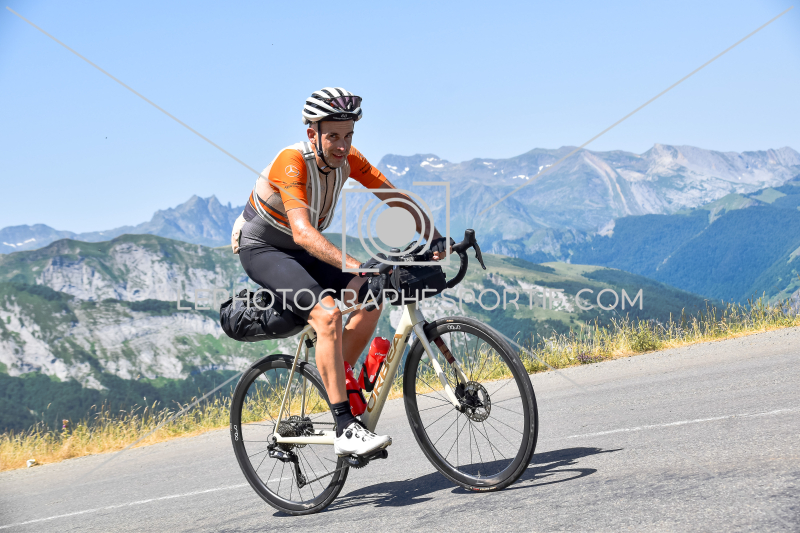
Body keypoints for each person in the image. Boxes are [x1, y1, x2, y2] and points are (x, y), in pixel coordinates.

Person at [230, 87, 452, 457]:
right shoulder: (291, 162)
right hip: (264, 249)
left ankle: (339, 381)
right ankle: (345, 426)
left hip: (302, 248)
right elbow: (302, 232)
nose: (342, 145)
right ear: (312, 134)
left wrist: (435, 236)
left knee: (373, 295)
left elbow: (394, 197)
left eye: (348, 135)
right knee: (328, 314)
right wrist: (356, 265)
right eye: (333, 135)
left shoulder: (349, 159)